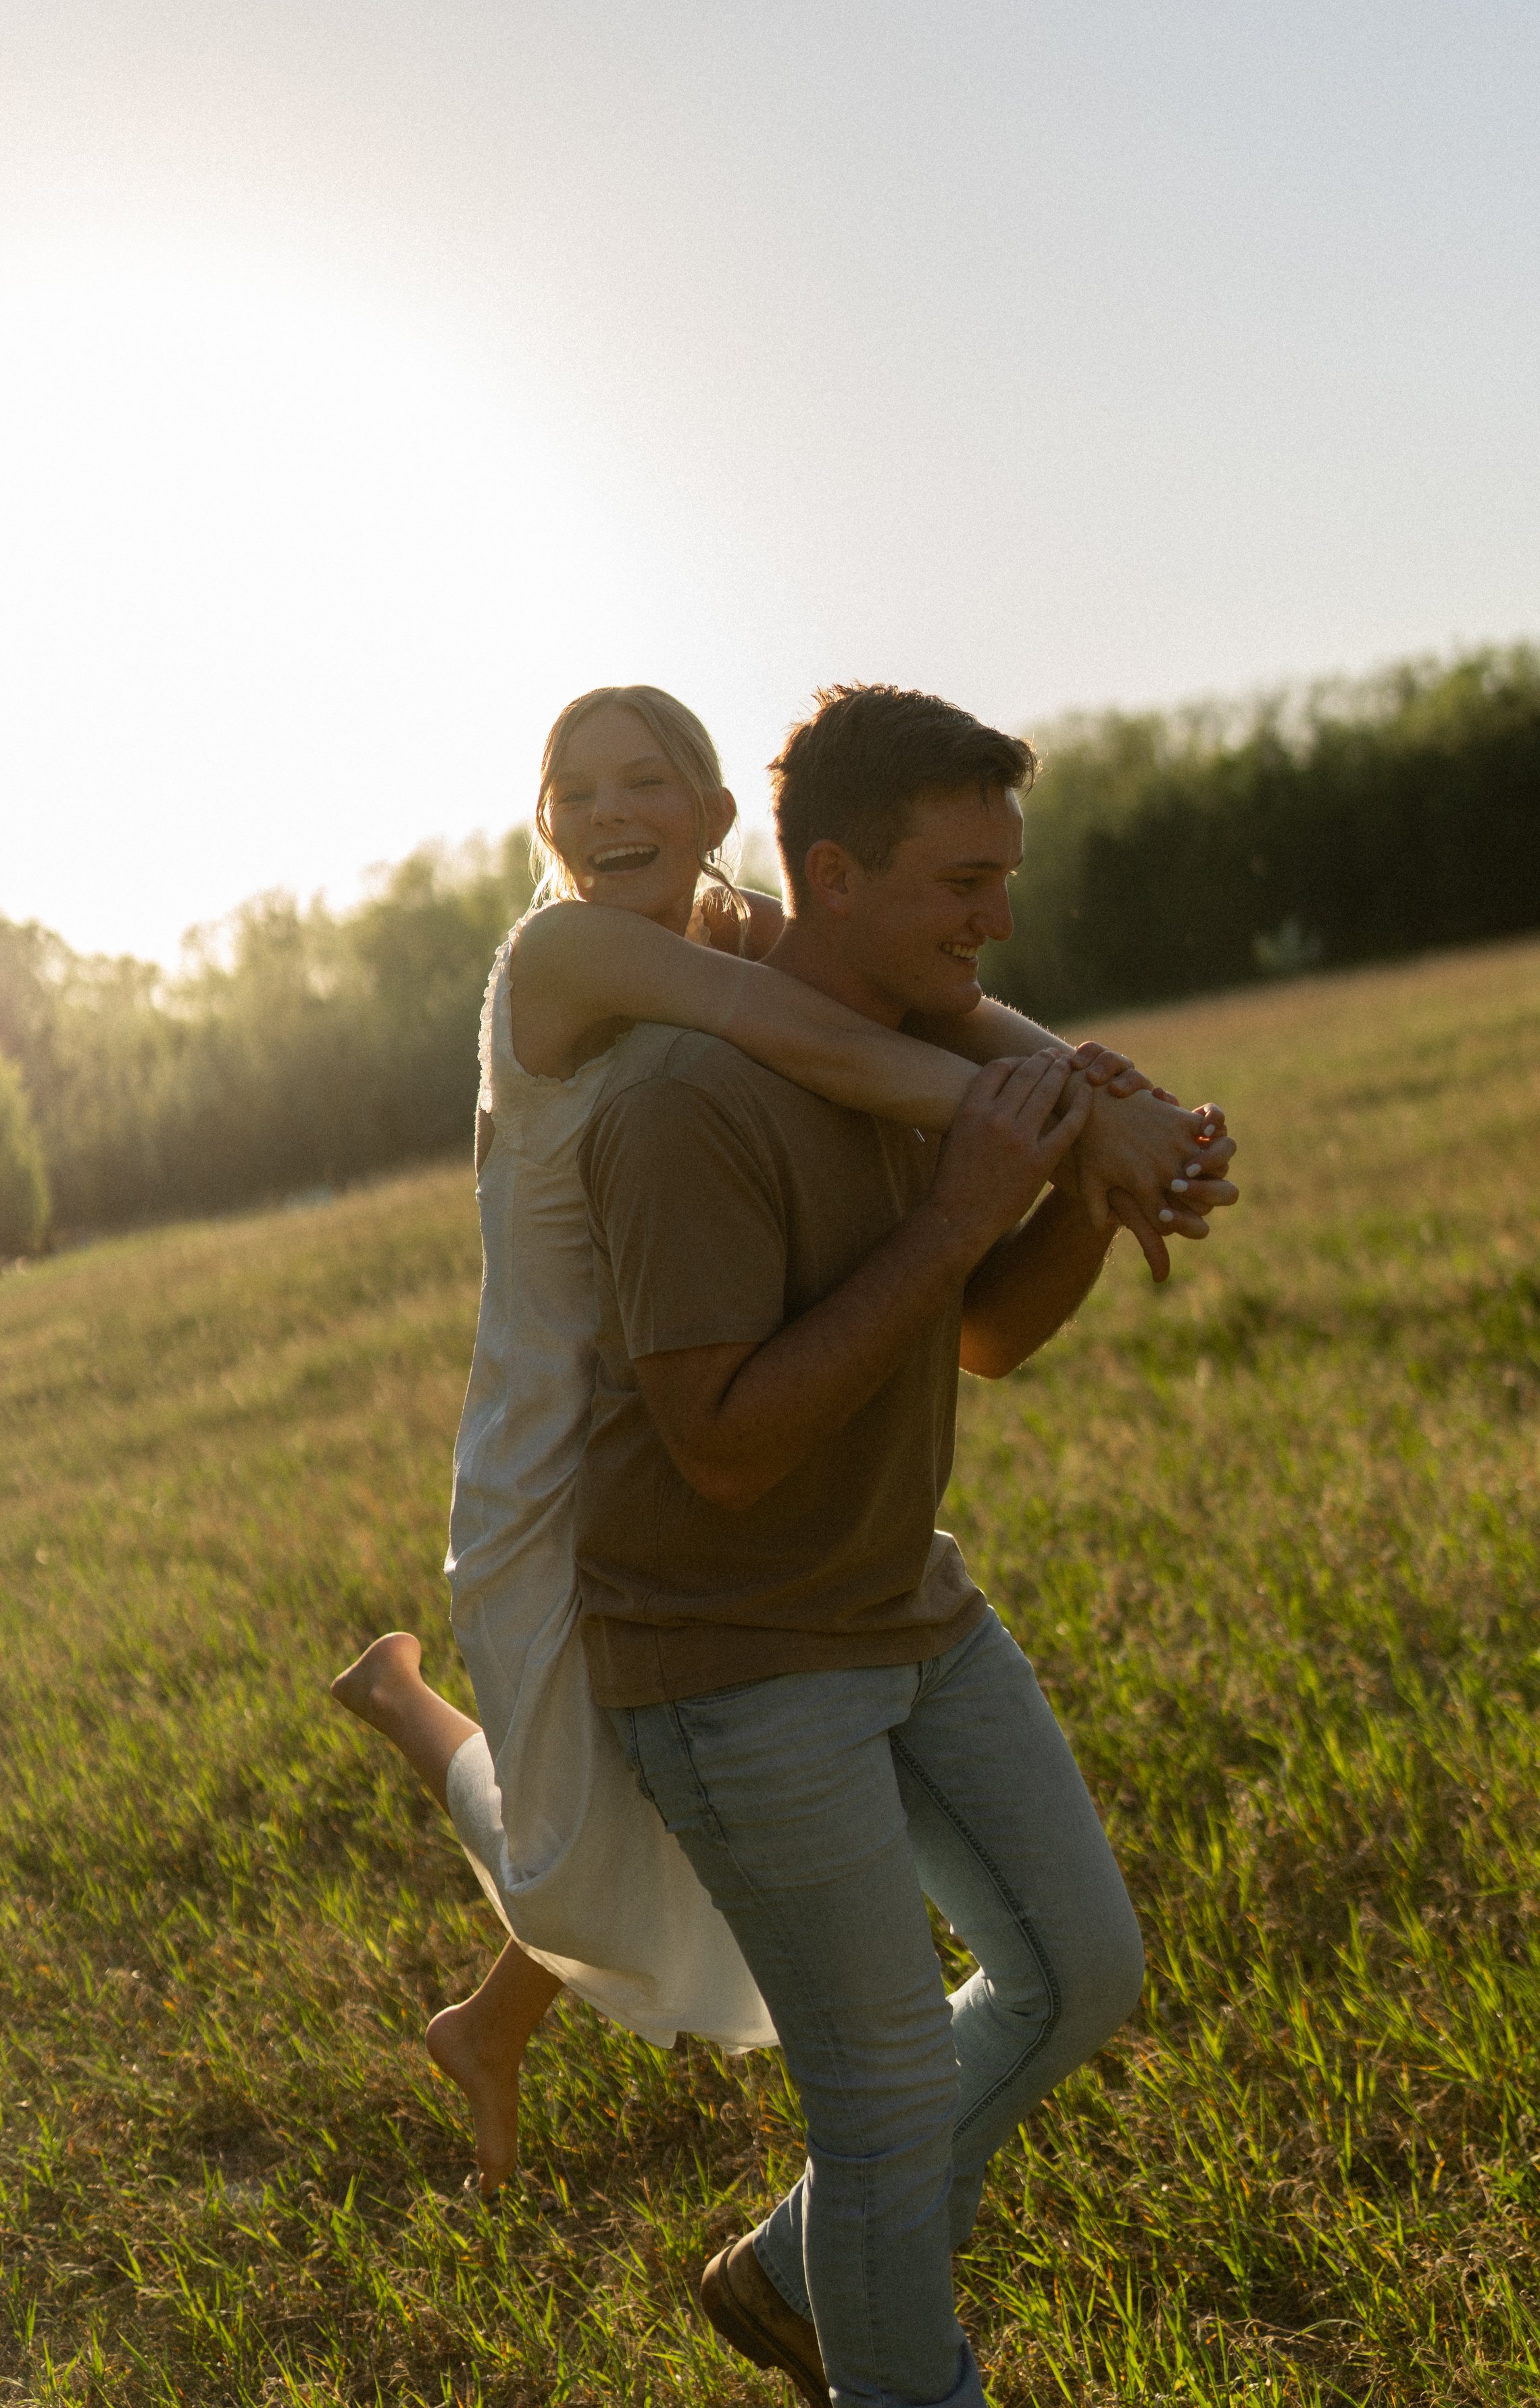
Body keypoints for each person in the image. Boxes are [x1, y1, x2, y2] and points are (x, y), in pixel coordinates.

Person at [332, 683, 1235, 2205]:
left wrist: (1101, 1088)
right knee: (580, 1853)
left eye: (645, 782)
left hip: (665, 1416)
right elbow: (815, 1041)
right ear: (545, 822)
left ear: (706, 810)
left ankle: (483, 2021)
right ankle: (411, 1711)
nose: (608, 813)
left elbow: (955, 1011)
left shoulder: (730, 918)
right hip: (553, 1455)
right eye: (576, 789)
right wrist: (1069, 1132)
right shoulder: (564, 948)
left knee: (644, 1834)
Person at [573, 683, 1232, 2408]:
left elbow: (983, 1338)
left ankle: (798, 2274)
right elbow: (719, 1447)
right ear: (834, 877)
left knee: (1079, 1972)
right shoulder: (681, 1103)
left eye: (1004, 879)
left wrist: (1077, 1207)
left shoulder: (938, 1049)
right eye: (961, 884)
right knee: (876, 2111)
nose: (998, 921)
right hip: (732, 1664)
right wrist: (959, 1209)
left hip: (900, 1610)